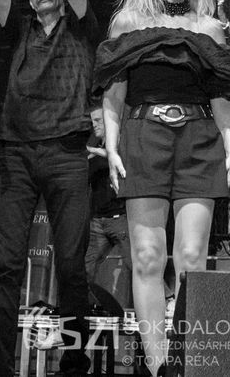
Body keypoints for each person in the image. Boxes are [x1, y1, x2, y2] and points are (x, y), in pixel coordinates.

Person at [95, 0, 230, 377]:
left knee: (192, 261)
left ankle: (185, 364)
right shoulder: (127, 22)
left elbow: (222, 89)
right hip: (144, 134)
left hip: (199, 137)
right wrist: (111, 144)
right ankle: (158, 365)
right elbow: (113, 90)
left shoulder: (210, 27)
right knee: (146, 257)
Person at [0, 0, 97, 376]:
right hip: (17, 154)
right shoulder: (19, 27)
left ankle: (73, 364)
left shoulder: (80, 24)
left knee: (71, 265)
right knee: (6, 263)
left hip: (69, 152)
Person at [85, 104, 133, 308]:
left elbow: (125, 161)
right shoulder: (94, 150)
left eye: (98, 120)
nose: (94, 125)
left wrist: (98, 151)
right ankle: (86, 306)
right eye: (92, 121)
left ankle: (167, 299)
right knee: (85, 267)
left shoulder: (121, 144)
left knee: (137, 264)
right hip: (98, 220)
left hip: (119, 218)